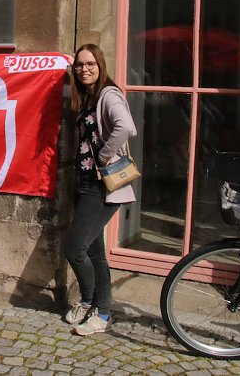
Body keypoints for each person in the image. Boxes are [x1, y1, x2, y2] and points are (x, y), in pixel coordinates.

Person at [64, 43, 138, 335]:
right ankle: (97, 308)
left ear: (101, 65)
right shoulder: (87, 95)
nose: (85, 69)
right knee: (95, 251)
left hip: (101, 186)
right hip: (84, 182)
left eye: (90, 64)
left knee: (75, 249)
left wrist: (105, 155)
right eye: (80, 65)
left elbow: (126, 126)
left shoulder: (108, 94)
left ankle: (96, 307)